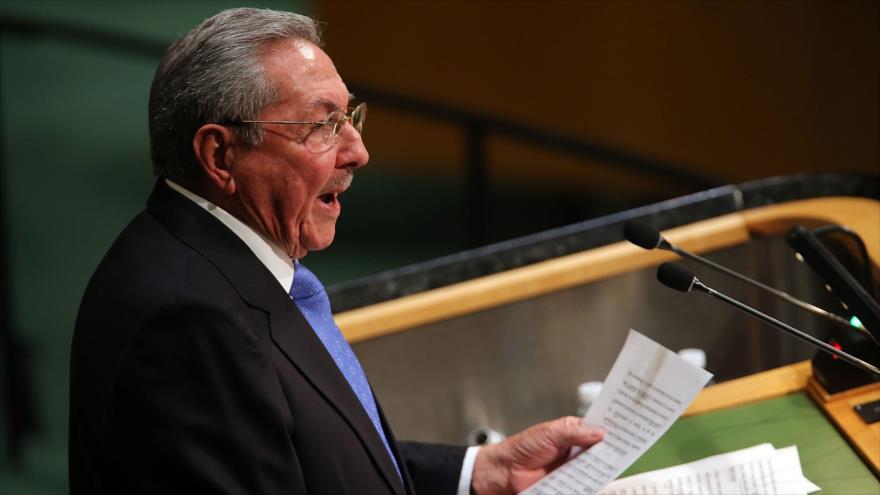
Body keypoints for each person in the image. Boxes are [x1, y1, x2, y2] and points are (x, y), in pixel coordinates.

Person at [69, 8, 603, 494]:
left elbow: (316, 464)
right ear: (219, 155)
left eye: (350, 117)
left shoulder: (229, 264)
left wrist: (481, 471)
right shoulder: (189, 322)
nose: (358, 151)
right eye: (321, 125)